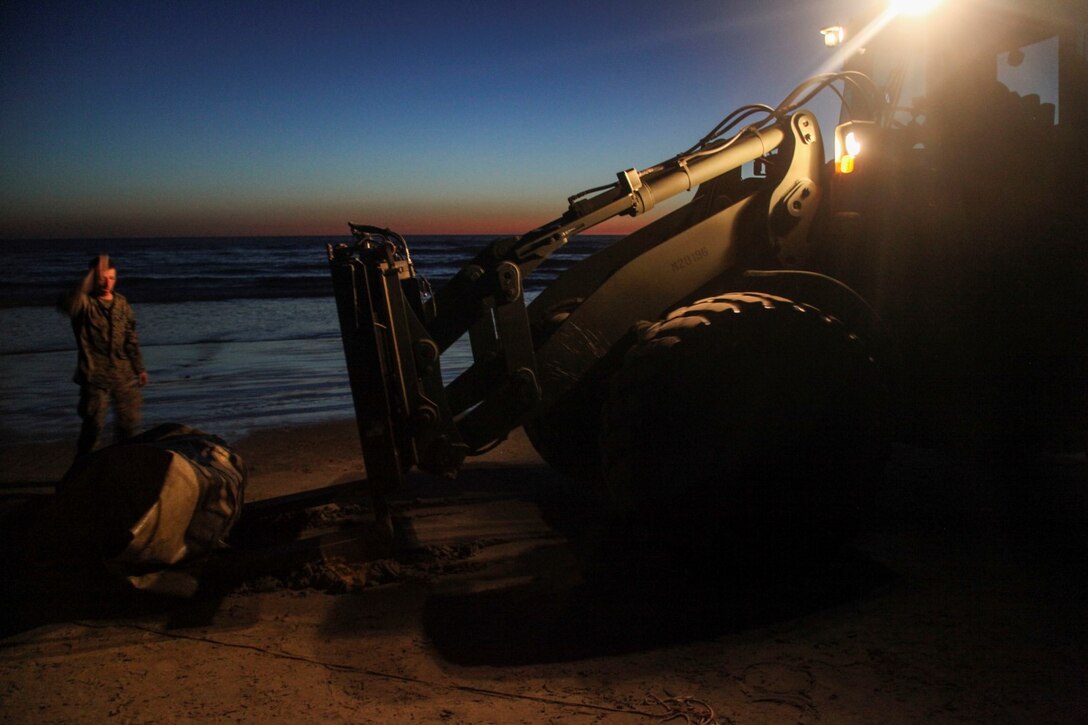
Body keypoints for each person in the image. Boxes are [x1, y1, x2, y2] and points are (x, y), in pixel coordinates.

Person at [58, 253, 149, 456]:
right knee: (93, 427)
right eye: (103, 278)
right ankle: (82, 471)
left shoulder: (121, 303)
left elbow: (130, 337)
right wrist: (91, 275)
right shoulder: (84, 304)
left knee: (129, 426)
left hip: (123, 374)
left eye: (112, 278)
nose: (108, 283)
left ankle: (123, 467)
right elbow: (66, 304)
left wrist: (139, 368)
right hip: (94, 376)